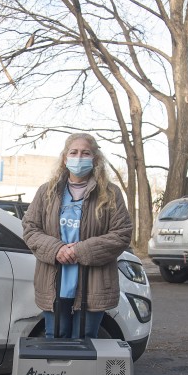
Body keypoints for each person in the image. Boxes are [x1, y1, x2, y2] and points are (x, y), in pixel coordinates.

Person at [22, 133, 133, 338]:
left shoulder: (110, 193)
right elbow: (30, 228)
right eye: (74, 152)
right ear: (65, 158)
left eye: (85, 153)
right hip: (54, 280)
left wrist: (81, 250)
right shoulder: (47, 192)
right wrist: (57, 249)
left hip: (94, 282)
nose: (79, 157)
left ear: (95, 159)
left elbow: (122, 233)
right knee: (55, 337)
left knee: (85, 340)